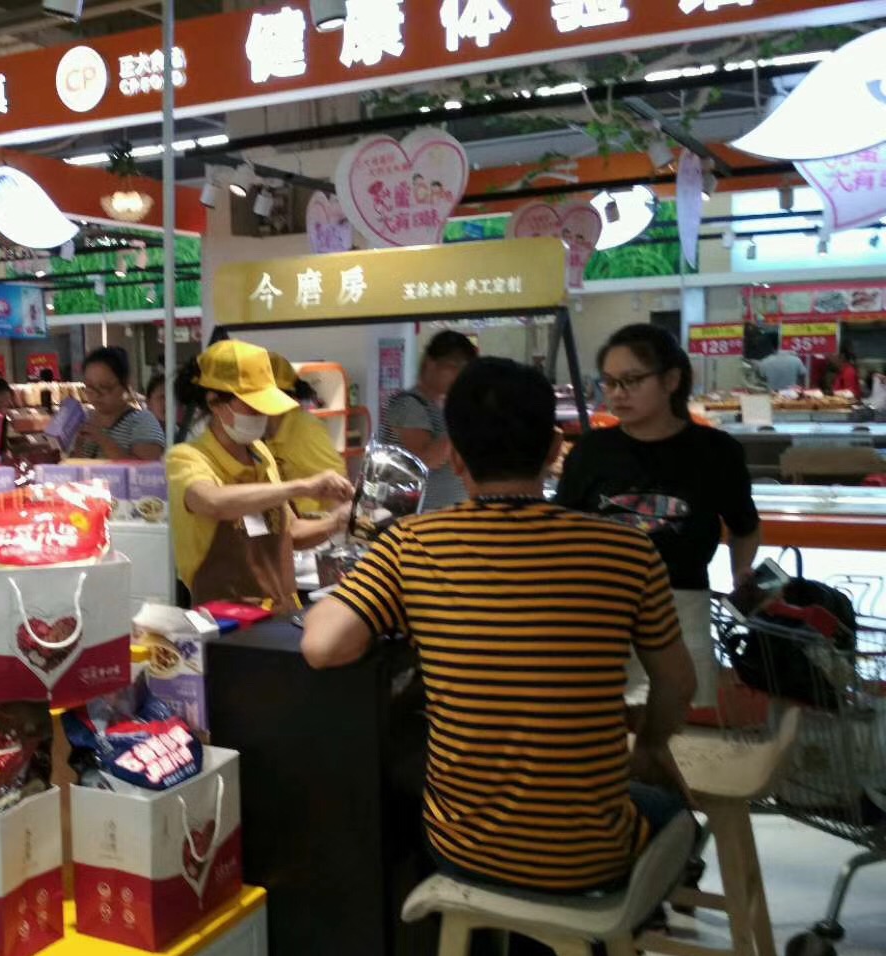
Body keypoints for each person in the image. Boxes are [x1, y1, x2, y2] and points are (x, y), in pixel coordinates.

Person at [303, 357, 696, 890]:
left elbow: (323, 646)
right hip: (594, 856)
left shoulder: (411, 545)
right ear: (555, 449)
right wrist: (647, 743)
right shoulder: (627, 550)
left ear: (456, 458)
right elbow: (677, 685)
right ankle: (623, 929)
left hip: (463, 848)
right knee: (673, 809)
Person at [556, 323, 760, 713]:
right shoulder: (591, 451)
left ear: (671, 380)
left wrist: (741, 573)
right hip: (601, 611)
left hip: (682, 607)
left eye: (631, 380)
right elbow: (565, 529)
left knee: (674, 723)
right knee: (605, 722)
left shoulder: (715, 451)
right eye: (609, 382)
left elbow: (745, 526)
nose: (617, 393)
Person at [167, 340, 354, 609]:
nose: (262, 415)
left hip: (279, 613)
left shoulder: (260, 454)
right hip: (227, 619)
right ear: (215, 403)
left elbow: (291, 533)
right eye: (252, 407)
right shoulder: (187, 458)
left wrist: (337, 521)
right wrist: (302, 486)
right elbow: (213, 501)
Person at [382, 330, 478, 511]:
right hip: (420, 513)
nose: (460, 375)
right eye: (454, 366)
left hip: (450, 511)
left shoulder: (446, 406)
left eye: (465, 369)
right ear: (431, 363)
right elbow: (423, 460)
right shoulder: (408, 404)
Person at [265, 352, 347, 516]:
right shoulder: (258, 434)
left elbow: (338, 488)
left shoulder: (305, 429)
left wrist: (335, 524)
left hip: (310, 522)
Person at [73, 346, 165, 461]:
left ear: (124, 385)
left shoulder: (142, 421)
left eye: (104, 387)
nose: (96, 395)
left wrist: (103, 440)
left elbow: (148, 467)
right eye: (90, 387)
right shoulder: (85, 419)